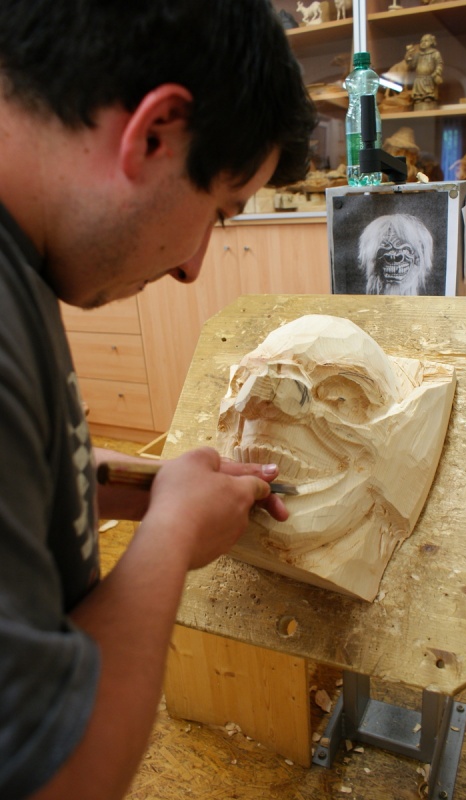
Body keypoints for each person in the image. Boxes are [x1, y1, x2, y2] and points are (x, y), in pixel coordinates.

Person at [0, 2, 317, 798]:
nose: (193, 266)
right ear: (155, 135)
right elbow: (53, 777)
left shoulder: (23, 263)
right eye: (218, 213)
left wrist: (134, 485)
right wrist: (171, 532)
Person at [405, 33, 443, 110]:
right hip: (419, 79)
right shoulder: (418, 55)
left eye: (426, 41)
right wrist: (409, 55)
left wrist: (437, 73)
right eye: (422, 41)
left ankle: (428, 99)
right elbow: (412, 66)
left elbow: (439, 64)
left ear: (431, 42)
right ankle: (419, 99)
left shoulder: (435, 53)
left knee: (428, 98)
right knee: (418, 99)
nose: (423, 43)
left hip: (429, 79)